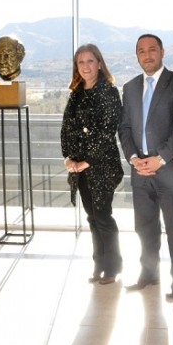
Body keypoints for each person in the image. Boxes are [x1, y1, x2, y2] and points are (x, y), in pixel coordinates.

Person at [118, 34, 173, 299]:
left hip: (169, 171)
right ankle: (149, 274)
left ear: (162, 51)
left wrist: (158, 158)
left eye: (152, 49)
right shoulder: (129, 88)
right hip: (139, 172)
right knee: (145, 228)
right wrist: (133, 158)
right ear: (136, 56)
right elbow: (124, 128)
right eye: (141, 51)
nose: (147, 55)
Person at [61, 44, 124, 285]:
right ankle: (98, 263)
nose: (85, 66)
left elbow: (106, 132)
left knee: (103, 216)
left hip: (101, 167)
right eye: (81, 62)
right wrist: (68, 157)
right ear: (76, 67)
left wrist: (87, 161)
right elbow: (66, 129)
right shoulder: (76, 93)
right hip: (78, 167)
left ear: (99, 63)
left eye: (90, 61)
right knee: (91, 217)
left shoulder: (108, 91)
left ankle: (113, 267)